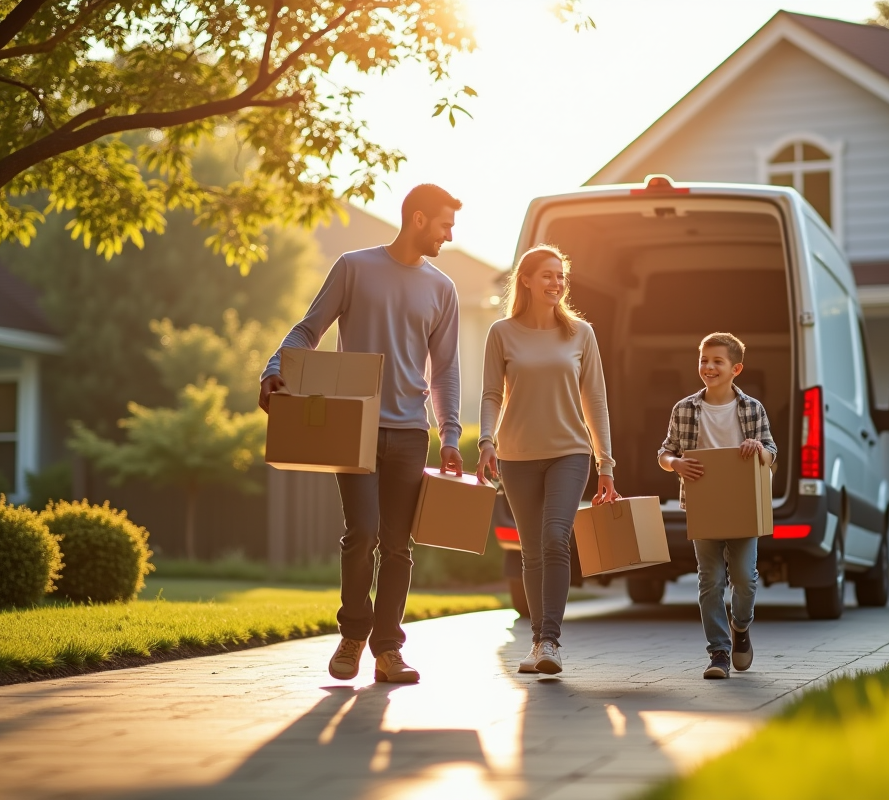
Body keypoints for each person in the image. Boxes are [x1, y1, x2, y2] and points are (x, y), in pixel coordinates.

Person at [258, 184, 465, 684]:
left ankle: (388, 650)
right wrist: (273, 366)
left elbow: (445, 370)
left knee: (398, 545)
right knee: (363, 533)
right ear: (418, 219)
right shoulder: (354, 267)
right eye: (444, 223)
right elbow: (308, 329)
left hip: (411, 433)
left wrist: (451, 434)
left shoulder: (443, 288)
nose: (450, 234)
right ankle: (352, 635)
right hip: (355, 429)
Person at [476, 244, 620, 675]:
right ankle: (538, 642)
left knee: (556, 536)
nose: (557, 283)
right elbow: (490, 394)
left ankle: (551, 641)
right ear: (526, 279)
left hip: (569, 453)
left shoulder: (580, 334)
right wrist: (485, 440)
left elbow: (595, 401)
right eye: (548, 275)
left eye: (561, 276)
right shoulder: (501, 333)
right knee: (532, 550)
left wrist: (605, 463)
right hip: (516, 455)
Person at [657, 332, 777, 679]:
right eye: (703, 360)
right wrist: (674, 463)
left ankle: (740, 627)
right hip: (702, 505)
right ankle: (719, 652)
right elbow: (664, 452)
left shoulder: (752, 408)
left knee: (744, 579)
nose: (708, 367)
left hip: (743, 505)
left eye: (717, 361)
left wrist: (758, 449)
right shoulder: (685, 409)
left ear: (736, 368)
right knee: (709, 580)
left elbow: (771, 454)